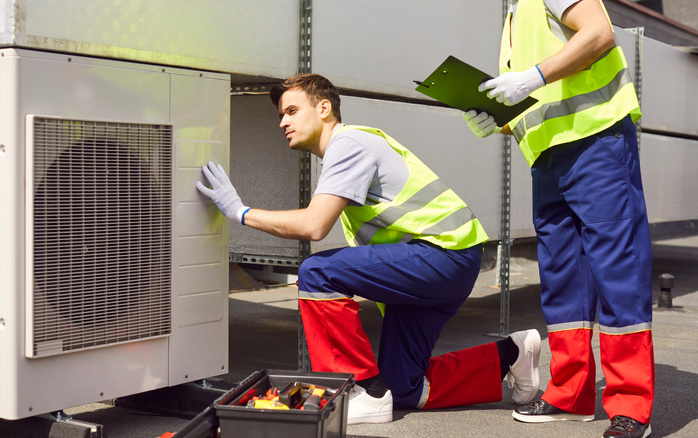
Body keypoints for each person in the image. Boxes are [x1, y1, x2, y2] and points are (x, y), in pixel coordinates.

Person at [197, 73, 542, 425]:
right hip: (441, 264)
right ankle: (512, 353)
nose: (283, 121)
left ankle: (363, 391)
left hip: (441, 256)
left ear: (324, 108)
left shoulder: (349, 144)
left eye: (292, 110)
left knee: (317, 272)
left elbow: (314, 226)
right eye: (282, 115)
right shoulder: (348, 148)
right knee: (405, 389)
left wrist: (240, 212)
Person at [463, 1, 654, 437]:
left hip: (596, 141)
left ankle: (632, 406)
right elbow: (534, 100)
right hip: (548, 157)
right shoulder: (513, 17)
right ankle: (570, 395)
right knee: (563, 277)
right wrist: (495, 118)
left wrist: (533, 76)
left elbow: (599, 34)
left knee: (617, 271)